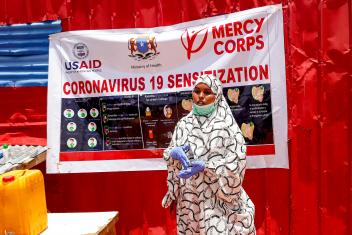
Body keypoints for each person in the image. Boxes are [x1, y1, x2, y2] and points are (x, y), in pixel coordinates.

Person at [162, 74, 255, 234]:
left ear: (217, 96)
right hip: (190, 207)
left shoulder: (227, 127)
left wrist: (207, 167)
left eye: (207, 92)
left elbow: (237, 164)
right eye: (197, 91)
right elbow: (173, 156)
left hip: (219, 206)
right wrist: (172, 154)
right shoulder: (183, 125)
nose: (201, 96)